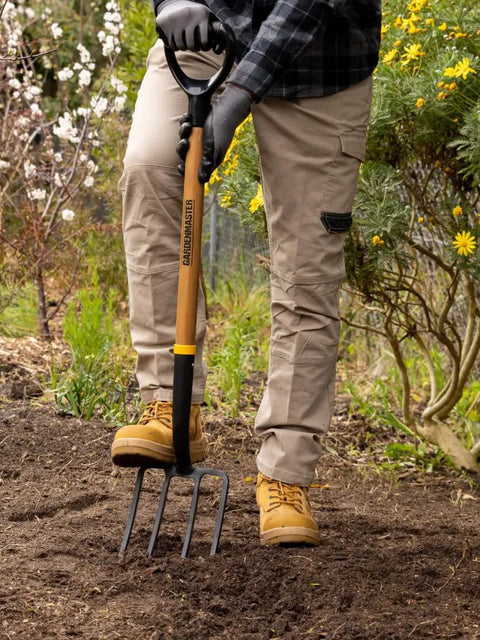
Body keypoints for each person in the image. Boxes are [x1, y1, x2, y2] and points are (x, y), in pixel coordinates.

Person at [110, 0, 381, 546]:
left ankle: (285, 475)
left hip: (319, 58)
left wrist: (235, 98)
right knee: (149, 168)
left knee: (308, 265)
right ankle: (169, 402)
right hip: (206, 35)